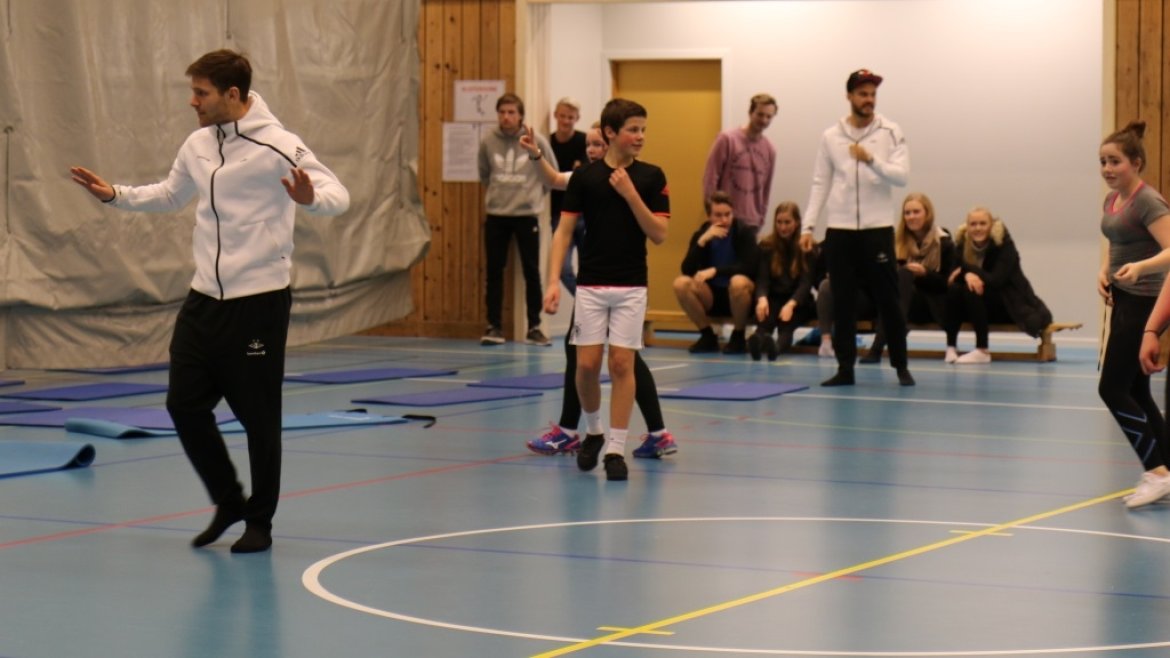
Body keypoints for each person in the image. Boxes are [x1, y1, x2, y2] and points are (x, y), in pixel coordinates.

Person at [69, 49, 350, 553]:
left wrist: (312, 200)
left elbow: (338, 194)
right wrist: (116, 194)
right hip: (204, 300)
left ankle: (259, 522)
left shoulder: (278, 144)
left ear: (232, 95)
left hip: (258, 302)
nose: (192, 101)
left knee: (258, 418)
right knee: (183, 404)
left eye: (201, 93)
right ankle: (228, 500)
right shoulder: (197, 143)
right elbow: (171, 194)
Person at [519, 126, 676, 459]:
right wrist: (536, 155)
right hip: (595, 282)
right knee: (587, 356)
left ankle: (582, 432)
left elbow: (659, 231)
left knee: (624, 362)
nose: (591, 150)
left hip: (623, 282)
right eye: (589, 145)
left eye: (598, 144)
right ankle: (648, 432)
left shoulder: (634, 177)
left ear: (612, 143)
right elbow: (553, 179)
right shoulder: (586, 178)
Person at [799, 69, 914, 387]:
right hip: (841, 230)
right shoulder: (831, 136)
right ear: (849, 96)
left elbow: (902, 176)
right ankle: (845, 368)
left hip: (877, 229)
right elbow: (820, 182)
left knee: (888, 299)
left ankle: (901, 366)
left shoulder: (890, 131)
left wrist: (871, 160)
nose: (869, 100)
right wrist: (808, 226)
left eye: (873, 94)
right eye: (863, 94)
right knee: (843, 301)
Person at [1100, 121, 1170, 508]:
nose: (1108, 169)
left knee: (1112, 389)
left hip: (1145, 302)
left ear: (1136, 163)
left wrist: (1141, 268)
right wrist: (1104, 271)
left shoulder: (1148, 201)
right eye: (1103, 162)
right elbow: (1115, 243)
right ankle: (1167, 469)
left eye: (1115, 162)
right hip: (1124, 299)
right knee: (1137, 391)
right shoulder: (1112, 200)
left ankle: (1156, 473)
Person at [478, 92, 557, 347]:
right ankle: (494, 326)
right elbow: (484, 174)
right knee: (494, 272)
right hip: (497, 215)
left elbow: (551, 174)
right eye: (502, 112)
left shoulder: (536, 140)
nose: (506, 117)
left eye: (511, 112)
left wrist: (533, 197)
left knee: (532, 271)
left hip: (526, 215)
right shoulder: (488, 141)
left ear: (520, 115)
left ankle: (534, 327)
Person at [943, 207, 1052, 364]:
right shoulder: (962, 245)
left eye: (983, 223)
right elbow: (951, 277)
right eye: (973, 224)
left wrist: (967, 270)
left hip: (1008, 304)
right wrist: (966, 275)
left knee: (971, 288)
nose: (978, 228)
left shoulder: (1005, 246)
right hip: (976, 306)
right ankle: (951, 347)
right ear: (967, 227)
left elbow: (996, 280)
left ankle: (982, 350)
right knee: (955, 289)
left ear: (991, 225)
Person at [861, 192, 955, 363]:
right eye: (907, 213)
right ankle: (887, 342)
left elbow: (945, 284)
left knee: (901, 282)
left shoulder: (943, 242)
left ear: (927, 214)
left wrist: (925, 273)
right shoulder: (896, 242)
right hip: (901, 300)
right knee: (897, 284)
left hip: (930, 303)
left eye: (916, 212)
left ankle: (877, 348)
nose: (911, 217)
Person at [673, 191, 759, 354]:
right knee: (680, 284)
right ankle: (707, 336)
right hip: (712, 296)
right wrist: (701, 242)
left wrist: (715, 271)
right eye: (718, 215)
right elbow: (686, 269)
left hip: (740, 297)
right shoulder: (702, 234)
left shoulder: (744, 232)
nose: (724, 220)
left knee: (738, 282)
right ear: (709, 216)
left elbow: (750, 267)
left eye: (728, 214)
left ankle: (738, 336)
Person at [702, 93, 777, 238]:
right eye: (760, 114)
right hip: (724, 220)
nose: (764, 120)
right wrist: (711, 213)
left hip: (752, 223)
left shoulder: (770, 150)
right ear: (750, 112)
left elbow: (766, 188)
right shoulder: (727, 140)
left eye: (769, 116)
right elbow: (710, 177)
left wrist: (761, 217)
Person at [748, 202, 815, 360]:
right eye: (779, 222)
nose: (783, 227)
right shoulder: (767, 246)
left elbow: (806, 283)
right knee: (765, 319)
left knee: (786, 324)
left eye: (787, 222)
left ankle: (776, 349)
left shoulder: (807, 247)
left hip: (799, 301)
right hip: (775, 297)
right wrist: (762, 299)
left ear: (796, 223)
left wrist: (791, 304)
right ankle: (757, 342)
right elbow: (762, 278)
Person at [548, 98, 588, 295]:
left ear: (577, 119)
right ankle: (585, 301)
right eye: (562, 116)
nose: (565, 121)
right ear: (555, 115)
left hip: (585, 213)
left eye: (570, 117)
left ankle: (589, 305)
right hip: (559, 213)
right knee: (562, 270)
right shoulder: (548, 143)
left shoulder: (585, 142)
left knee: (590, 268)